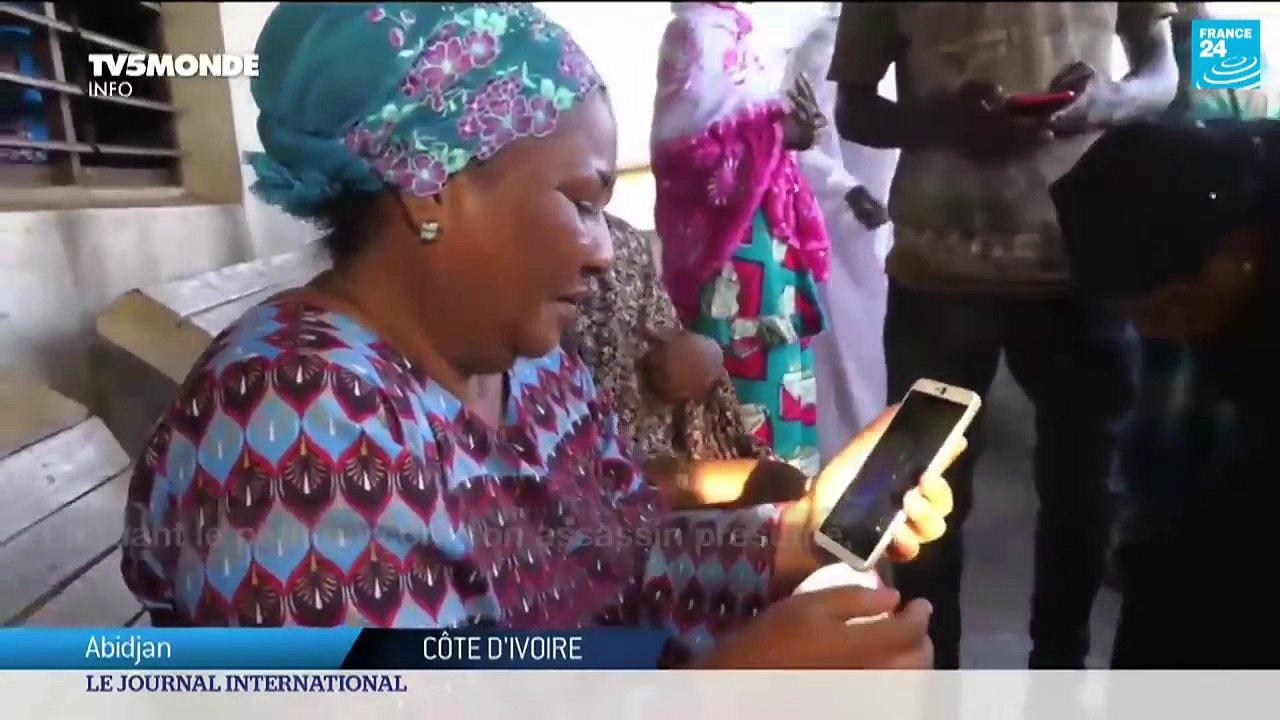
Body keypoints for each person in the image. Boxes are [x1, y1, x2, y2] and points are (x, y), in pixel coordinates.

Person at [119, 3, 958, 670]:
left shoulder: (531, 367)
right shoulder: (295, 422)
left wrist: (802, 533)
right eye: (583, 201)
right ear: (431, 188)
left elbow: (628, 562)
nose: (604, 250)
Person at [827, 2, 1180, 669]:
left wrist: (1112, 99)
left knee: (1088, 496)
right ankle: (929, 683)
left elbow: (1161, 72)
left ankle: (1062, 678)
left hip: (1080, 263)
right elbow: (854, 109)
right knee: (912, 500)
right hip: (936, 265)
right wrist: (939, 119)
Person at [1050, 118, 1279, 668]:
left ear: (1240, 249)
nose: (1154, 329)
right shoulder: (1190, 235)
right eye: (1133, 315)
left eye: (1165, 308)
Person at [650, 2, 830, 477]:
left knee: (779, 373)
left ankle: (786, 500)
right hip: (733, 251)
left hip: (765, 237)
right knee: (742, 382)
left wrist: (789, 133)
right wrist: (779, 132)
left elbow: (746, 126)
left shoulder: (732, 35)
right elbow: (684, 154)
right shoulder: (697, 35)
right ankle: (751, 518)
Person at [781, 5, 898, 463]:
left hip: (877, 234)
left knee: (874, 357)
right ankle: (839, 467)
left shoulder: (894, 48)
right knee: (840, 359)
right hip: (834, 233)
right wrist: (847, 191)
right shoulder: (821, 47)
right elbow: (800, 149)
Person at [568, 212, 770, 466]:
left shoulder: (625, 241)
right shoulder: (527, 247)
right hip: (584, 462)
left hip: (652, 452)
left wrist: (700, 357)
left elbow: (676, 346)